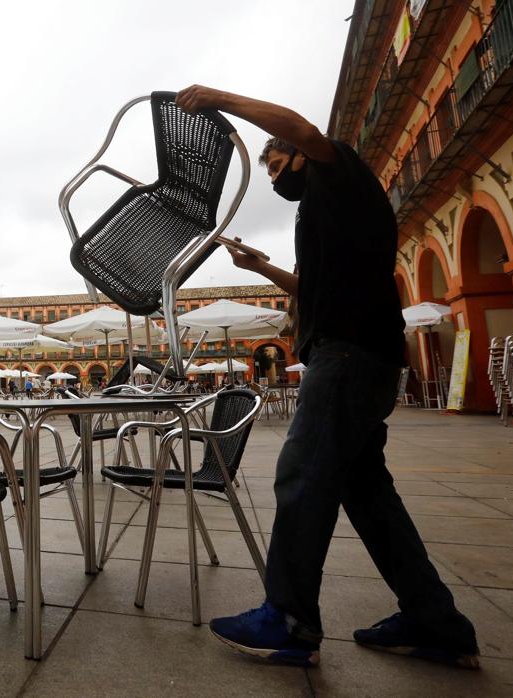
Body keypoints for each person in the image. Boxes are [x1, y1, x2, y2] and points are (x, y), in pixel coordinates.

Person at [175, 85, 478, 669]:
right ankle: (435, 621)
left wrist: (217, 98)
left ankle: (287, 620)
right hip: (360, 356)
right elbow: (311, 290)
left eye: (275, 163)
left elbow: (304, 128)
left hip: (346, 357)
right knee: (368, 496)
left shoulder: (337, 170)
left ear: (297, 153)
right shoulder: (325, 213)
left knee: (301, 477)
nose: (273, 178)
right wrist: (261, 268)